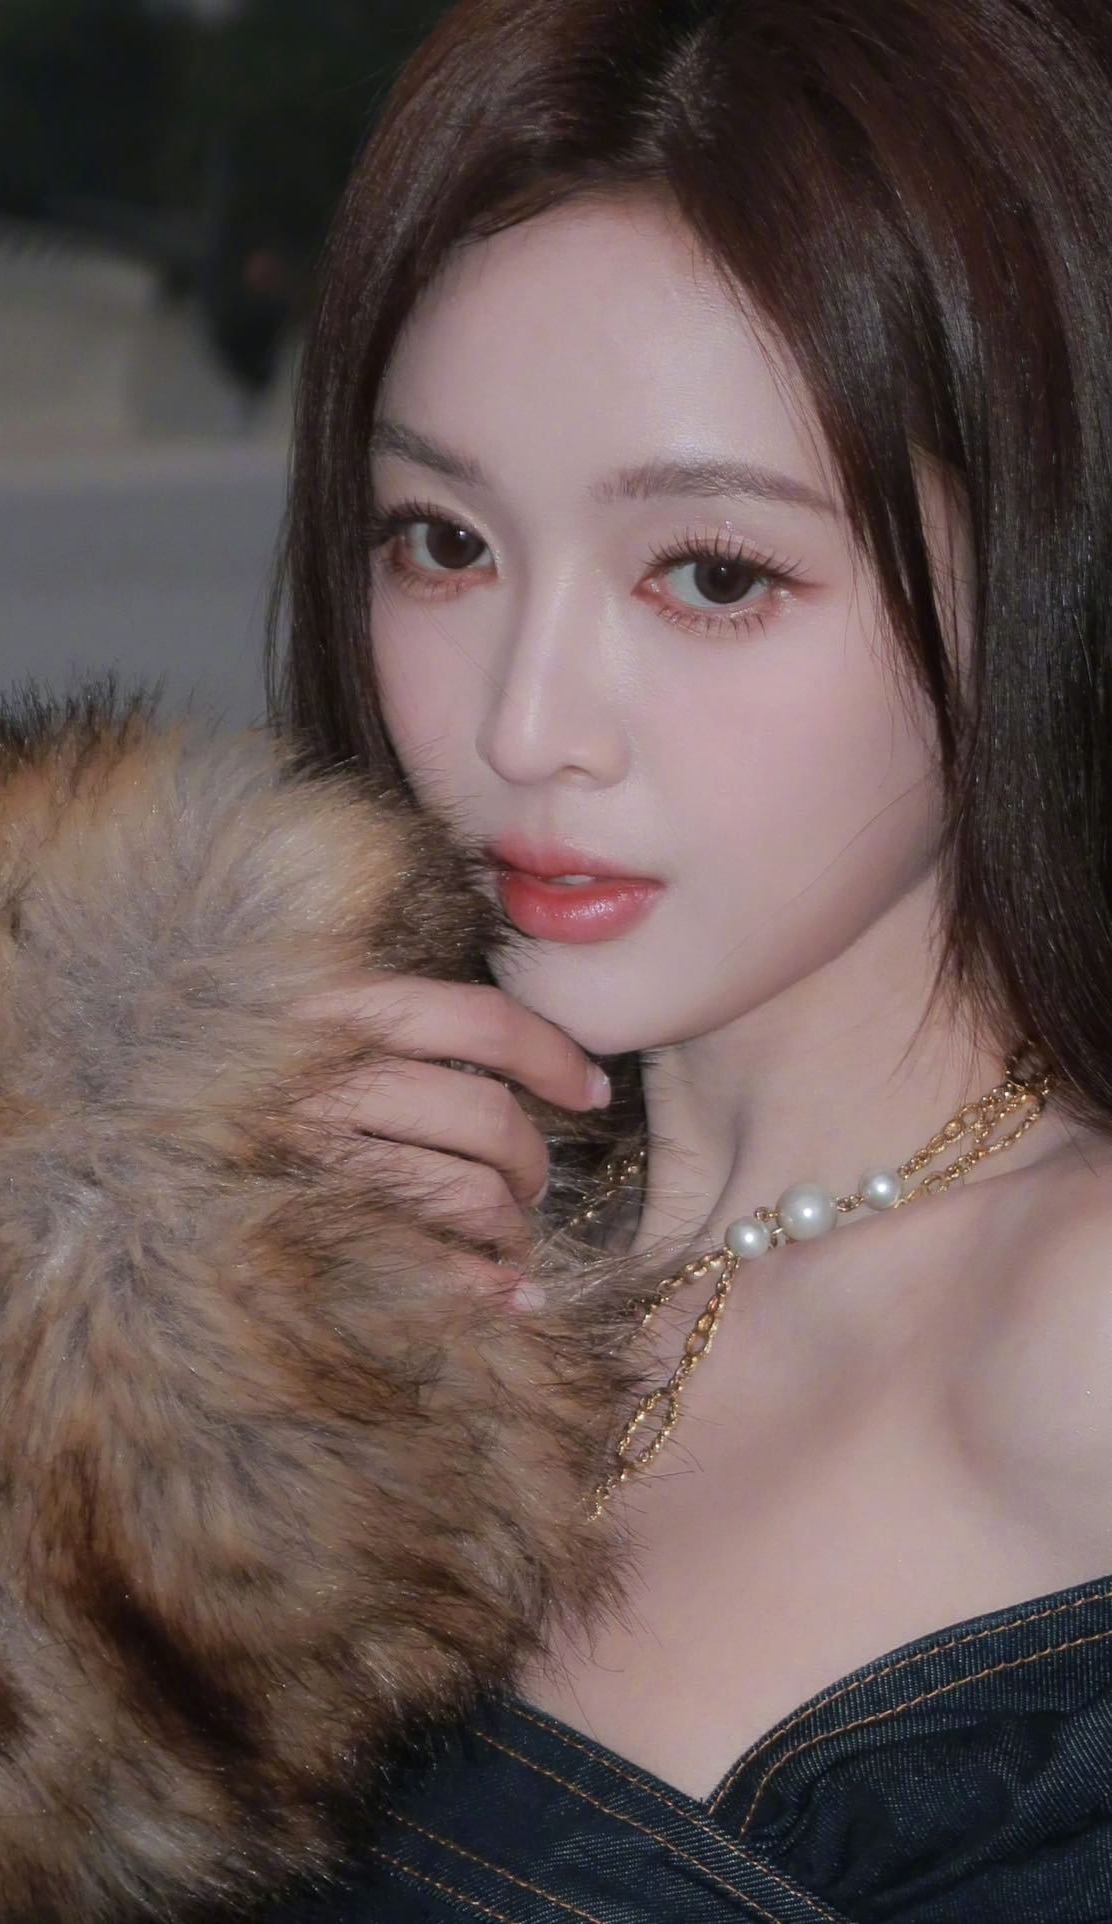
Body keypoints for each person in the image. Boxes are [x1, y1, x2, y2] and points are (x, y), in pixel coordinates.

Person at [259, 0, 1112, 1912]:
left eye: (711, 574)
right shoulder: (325, 1191)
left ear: (1044, 563)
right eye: (441, 542)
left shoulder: (1073, 1353)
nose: (525, 723)